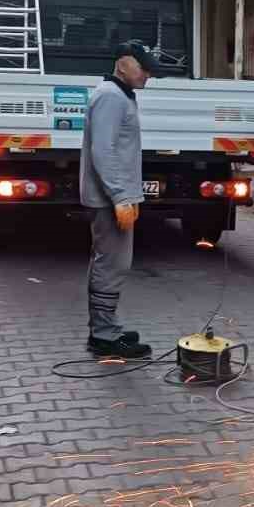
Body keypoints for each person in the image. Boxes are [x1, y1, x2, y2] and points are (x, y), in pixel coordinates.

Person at [79, 40, 160, 359]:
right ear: (123, 64)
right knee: (111, 263)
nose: (148, 75)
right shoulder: (111, 97)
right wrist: (119, 197)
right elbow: (104, 151)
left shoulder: (119, 95)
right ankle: (103, 334)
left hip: (116, 196)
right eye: (143, 67)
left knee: (112, 262)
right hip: (110, 199)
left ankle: (107, 327)